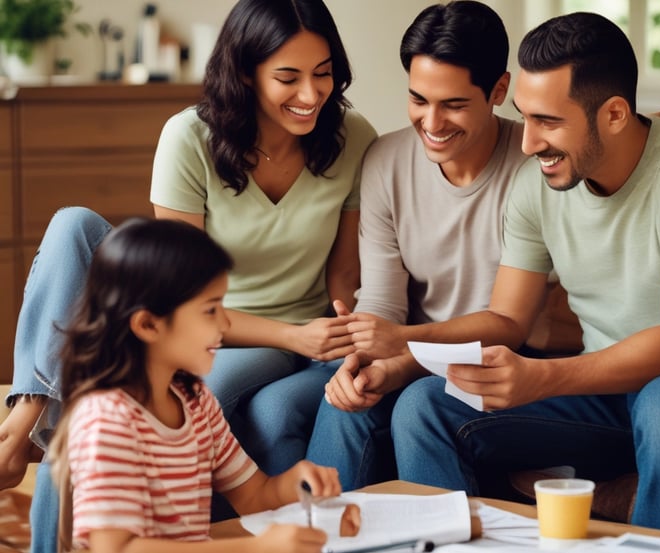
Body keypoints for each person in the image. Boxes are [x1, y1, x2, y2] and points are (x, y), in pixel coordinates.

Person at [0, 0, 375, 550]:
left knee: (197, 389)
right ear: (246, 74)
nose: (311, 94)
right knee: (74, 226)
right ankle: (32, 410)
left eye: (323, 74)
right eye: (287, 78)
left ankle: (36, 427)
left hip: (291, 332)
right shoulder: (189, 137)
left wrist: (347, 335)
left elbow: (344, 272)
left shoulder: (352, 136)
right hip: (201, 317)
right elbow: (179, 286)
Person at [386, 11, 660, 539]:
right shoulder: (535, 189)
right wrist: (404, 347)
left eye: (548, 121)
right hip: (610, 399)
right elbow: (506, 319)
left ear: (613, 114)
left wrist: (541, 377)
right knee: (426, 405)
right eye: (526, 116)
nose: (527, 143)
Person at [304, 0, 528, 490]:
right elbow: (382, 302)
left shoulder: (533, 166)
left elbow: (520, 325)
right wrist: (359, 361)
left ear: (499, 91)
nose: (431, 122)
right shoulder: (385, 160)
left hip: (498, 361)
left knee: (418, 402)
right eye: (419, 99)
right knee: (345, 401)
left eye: (453, 104)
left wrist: (403, 352)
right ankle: (315, 539)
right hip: (414, 354)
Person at [46, 217, 340, 552]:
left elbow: (254, 496)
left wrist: (293, 483)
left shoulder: (195, 401)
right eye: (210, 310)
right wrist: (254, 549)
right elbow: (118, 548)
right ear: (148, 325)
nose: (226, 323)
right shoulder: (107, 419)